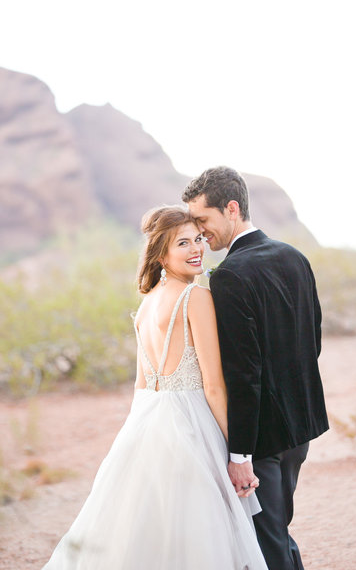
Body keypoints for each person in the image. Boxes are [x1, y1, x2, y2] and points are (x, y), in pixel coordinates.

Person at [42, 205, 268, 570]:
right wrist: (237, 454)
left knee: (149, 530)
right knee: (199, 534)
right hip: (194, 425)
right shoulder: (195, 298)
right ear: (162, 254)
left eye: (198, 239)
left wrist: (136, 436)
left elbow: (142, 384)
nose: (196, 249)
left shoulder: (146, 306)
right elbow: (213, 385)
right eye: (183, 243)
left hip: (149, 423)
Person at [183, 167, 329, 570]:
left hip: (263, 438)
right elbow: (312, 339)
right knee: (276, 532)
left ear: (232, 209)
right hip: (300, 428)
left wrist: (240, 452)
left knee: (267, 544)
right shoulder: (293, 256)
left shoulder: (228, 276)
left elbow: (243, 374)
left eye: (203, 220)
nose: (200, 232)